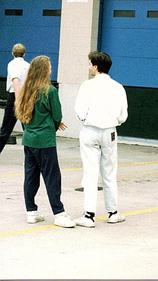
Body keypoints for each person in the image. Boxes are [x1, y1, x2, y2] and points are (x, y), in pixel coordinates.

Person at [14, 55, 75, 228]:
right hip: (45, 141)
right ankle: (59, 213)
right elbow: (57, 115)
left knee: (30, 176)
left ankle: (31, 211)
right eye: (49, 67)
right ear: (45, 70)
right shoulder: (50, 91)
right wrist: (51, 127)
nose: (51, 69)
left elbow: (23, 116)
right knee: (52, 177)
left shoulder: (25, 89)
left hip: (29, 140)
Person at [74, 51, 128, 227]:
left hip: (90, 131)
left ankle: (89, 215)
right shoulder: (118, 87)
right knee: (109, 173)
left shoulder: (87, 86)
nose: (88, 66)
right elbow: (123, 116)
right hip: (109, 132)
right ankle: (113, 212)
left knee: (90, 174)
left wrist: (87, 119)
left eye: (90, 63)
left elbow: (80, 111)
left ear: (96, 66)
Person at [0, 43, 30, 154]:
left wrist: (18, 100)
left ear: (12, 53)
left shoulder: (12, 64)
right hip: (26, 96)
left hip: (15, 96)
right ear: (24, 54)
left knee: (6, 129)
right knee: (27, 129)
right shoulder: (28, 65)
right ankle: (31, 156)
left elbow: (15, 79)